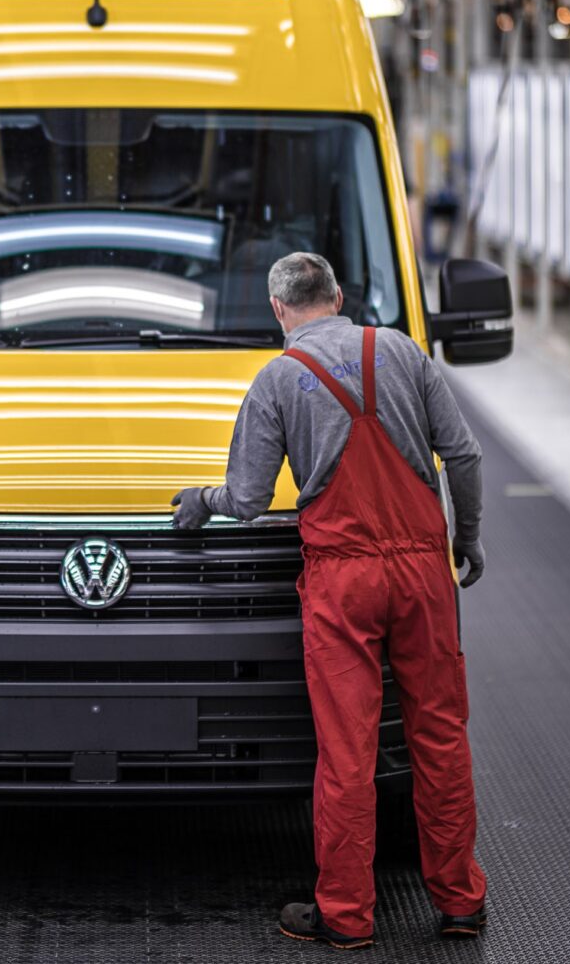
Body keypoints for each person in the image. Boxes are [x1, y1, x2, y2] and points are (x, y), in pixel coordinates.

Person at [171, 252, 488, 950]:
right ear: (339, 297)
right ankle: (460, 901)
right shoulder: (402, 352)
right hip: (422, 571)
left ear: (278, 309)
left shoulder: (277, 379)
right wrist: (466, 538)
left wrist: (200, 500)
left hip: (343, 581)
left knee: (348, 750)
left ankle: (346, 916)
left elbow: (248, 499)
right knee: (440, 734)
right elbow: (463, 455)